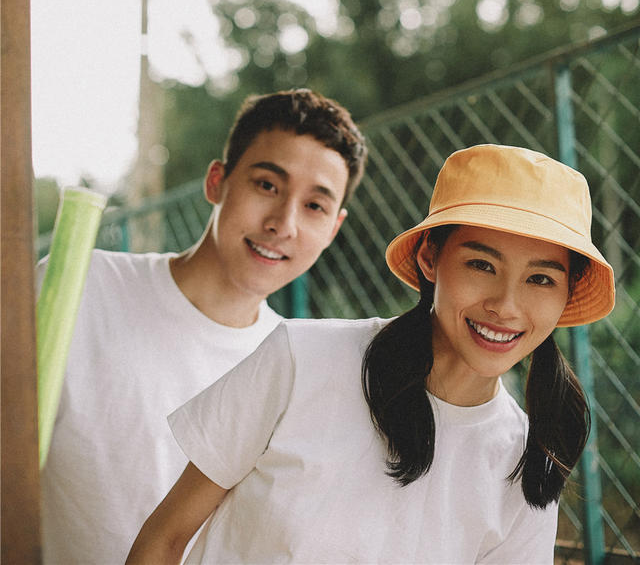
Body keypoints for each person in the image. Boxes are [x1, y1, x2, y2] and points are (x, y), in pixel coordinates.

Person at [126, 144, 615, 565]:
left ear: (567, 294)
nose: (506, 306)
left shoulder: (528, 464)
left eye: (540, 279)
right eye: (482, 264)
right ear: (430, 259)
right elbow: (164, 539)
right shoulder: (303, 360)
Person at [37, 88, 367, 565]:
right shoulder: (85, 286)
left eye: (314, 206)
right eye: (267, 185)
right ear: (217, 182)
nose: (283, 223)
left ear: (333, 229)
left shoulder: (297, 367)